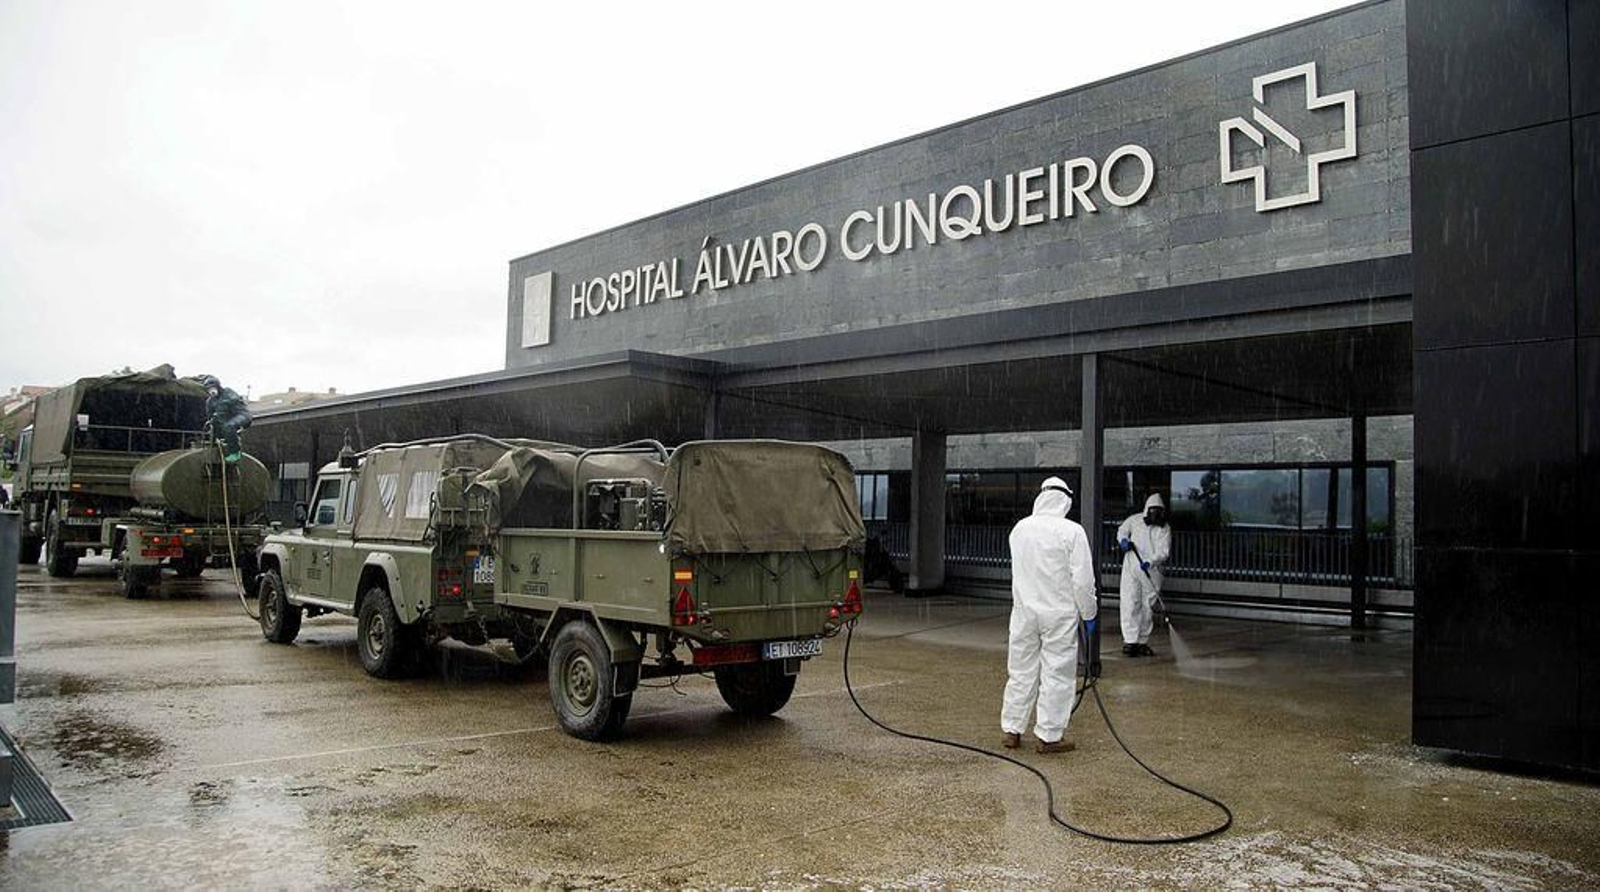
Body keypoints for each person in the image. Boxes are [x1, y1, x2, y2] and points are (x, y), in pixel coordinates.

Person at [1001, 477, 1097, 754]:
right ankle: (1050, 736)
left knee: (1020, 671)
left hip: (1023, 613)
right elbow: (1082, 580)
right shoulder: (1072, 531)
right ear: (1065, 500)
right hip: (1058, 615)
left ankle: (1012, 730)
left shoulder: (1020, 529)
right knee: (1057, 673)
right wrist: (1089, 613)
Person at [1117, 493, 1171, 657]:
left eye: (1158, 511)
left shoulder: (1164, 528)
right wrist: (1124, 541)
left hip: (1151, 571)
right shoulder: (1134, 520)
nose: (1155, 514)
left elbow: (1164, 551)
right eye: (1153, 510)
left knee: (1147, 606)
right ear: (1147, 509)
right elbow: (1122, 531)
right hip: (1131, 568)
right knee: (1130, 602)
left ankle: (1142, 641)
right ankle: (1130, 641)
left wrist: (1150, 561)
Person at [199, 375, 252, 463]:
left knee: (229, 426)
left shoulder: (228, 392)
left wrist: (219, 413)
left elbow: (228, 404)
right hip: (226, 419)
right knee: (213, 426)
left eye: (213, 388)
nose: (211, 391)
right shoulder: (209, 402)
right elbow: (210, 416)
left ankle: (235, 452)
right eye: (209, 389)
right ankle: (217, 445)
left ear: (218, 386)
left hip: (241, 414)